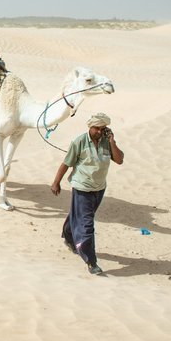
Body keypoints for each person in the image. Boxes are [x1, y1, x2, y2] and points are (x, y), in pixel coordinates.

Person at [50, 113, 125, 275]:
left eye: (102, 128)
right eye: (96, 128)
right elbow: (66, 163)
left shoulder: (107, 142)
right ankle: (91, 261)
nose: (99, 131)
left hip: (99, 188)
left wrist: (112, 141)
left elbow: (119, 160)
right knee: (86, 224)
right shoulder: (79, 142)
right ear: (90, 127)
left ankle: (68, 235)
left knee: (79, 215)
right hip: (82, 187)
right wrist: (56, 182)